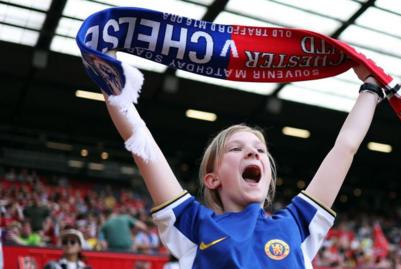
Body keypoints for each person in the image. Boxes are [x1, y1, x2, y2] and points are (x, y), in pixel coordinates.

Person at [103, 60, 382, 268]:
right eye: (237, 149)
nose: (253, 153)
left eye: (260, 150)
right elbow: (141, 142)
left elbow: (345, 147)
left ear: (269, 178)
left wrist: (371, 88)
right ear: (212, 179)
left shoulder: (297, 225)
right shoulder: (194, 225)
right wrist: (107, 72)